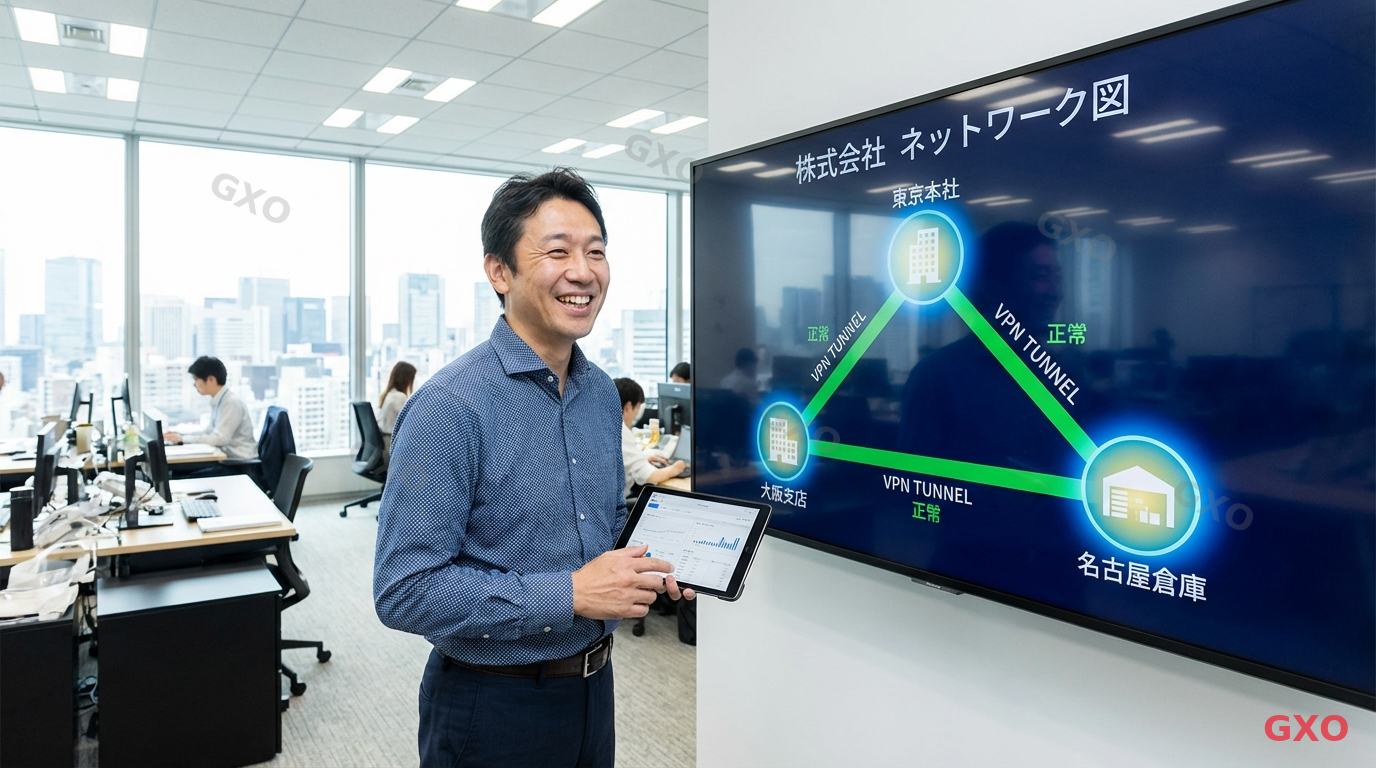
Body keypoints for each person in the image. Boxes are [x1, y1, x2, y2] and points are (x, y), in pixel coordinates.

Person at [373, 168, 694, 768]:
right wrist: (568, 593)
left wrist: (659, 560)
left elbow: (601, 527)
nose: (583, 271)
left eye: (595, 251)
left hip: (595, 690)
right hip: (490, 703)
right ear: (499, 271)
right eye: (557, 251)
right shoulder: (452, 403)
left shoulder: (600, 394)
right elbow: (403, 590)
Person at [163, 356, 258, 460]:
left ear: (211, 379)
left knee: (182, 473)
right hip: (227, 458)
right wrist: (180, 435)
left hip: (238, 462)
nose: (194, 384)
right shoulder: (220, 400)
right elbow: (208, 432)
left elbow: (220, 439)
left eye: (196, 379)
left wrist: (183, 439)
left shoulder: (231, 403)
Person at [614, 378, 686, 498]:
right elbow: (650, 476)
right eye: (637, 407)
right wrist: (677, 468)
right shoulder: (620, 430)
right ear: (628, 406)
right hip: (615, 508)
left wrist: (642, 458)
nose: (637, 413)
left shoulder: (601, 424)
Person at [376, 361, 417, 452]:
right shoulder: (399, 397)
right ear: (407, 379)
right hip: (391, 446)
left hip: (385, 443)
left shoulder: (389, 395)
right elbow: (412, 423)